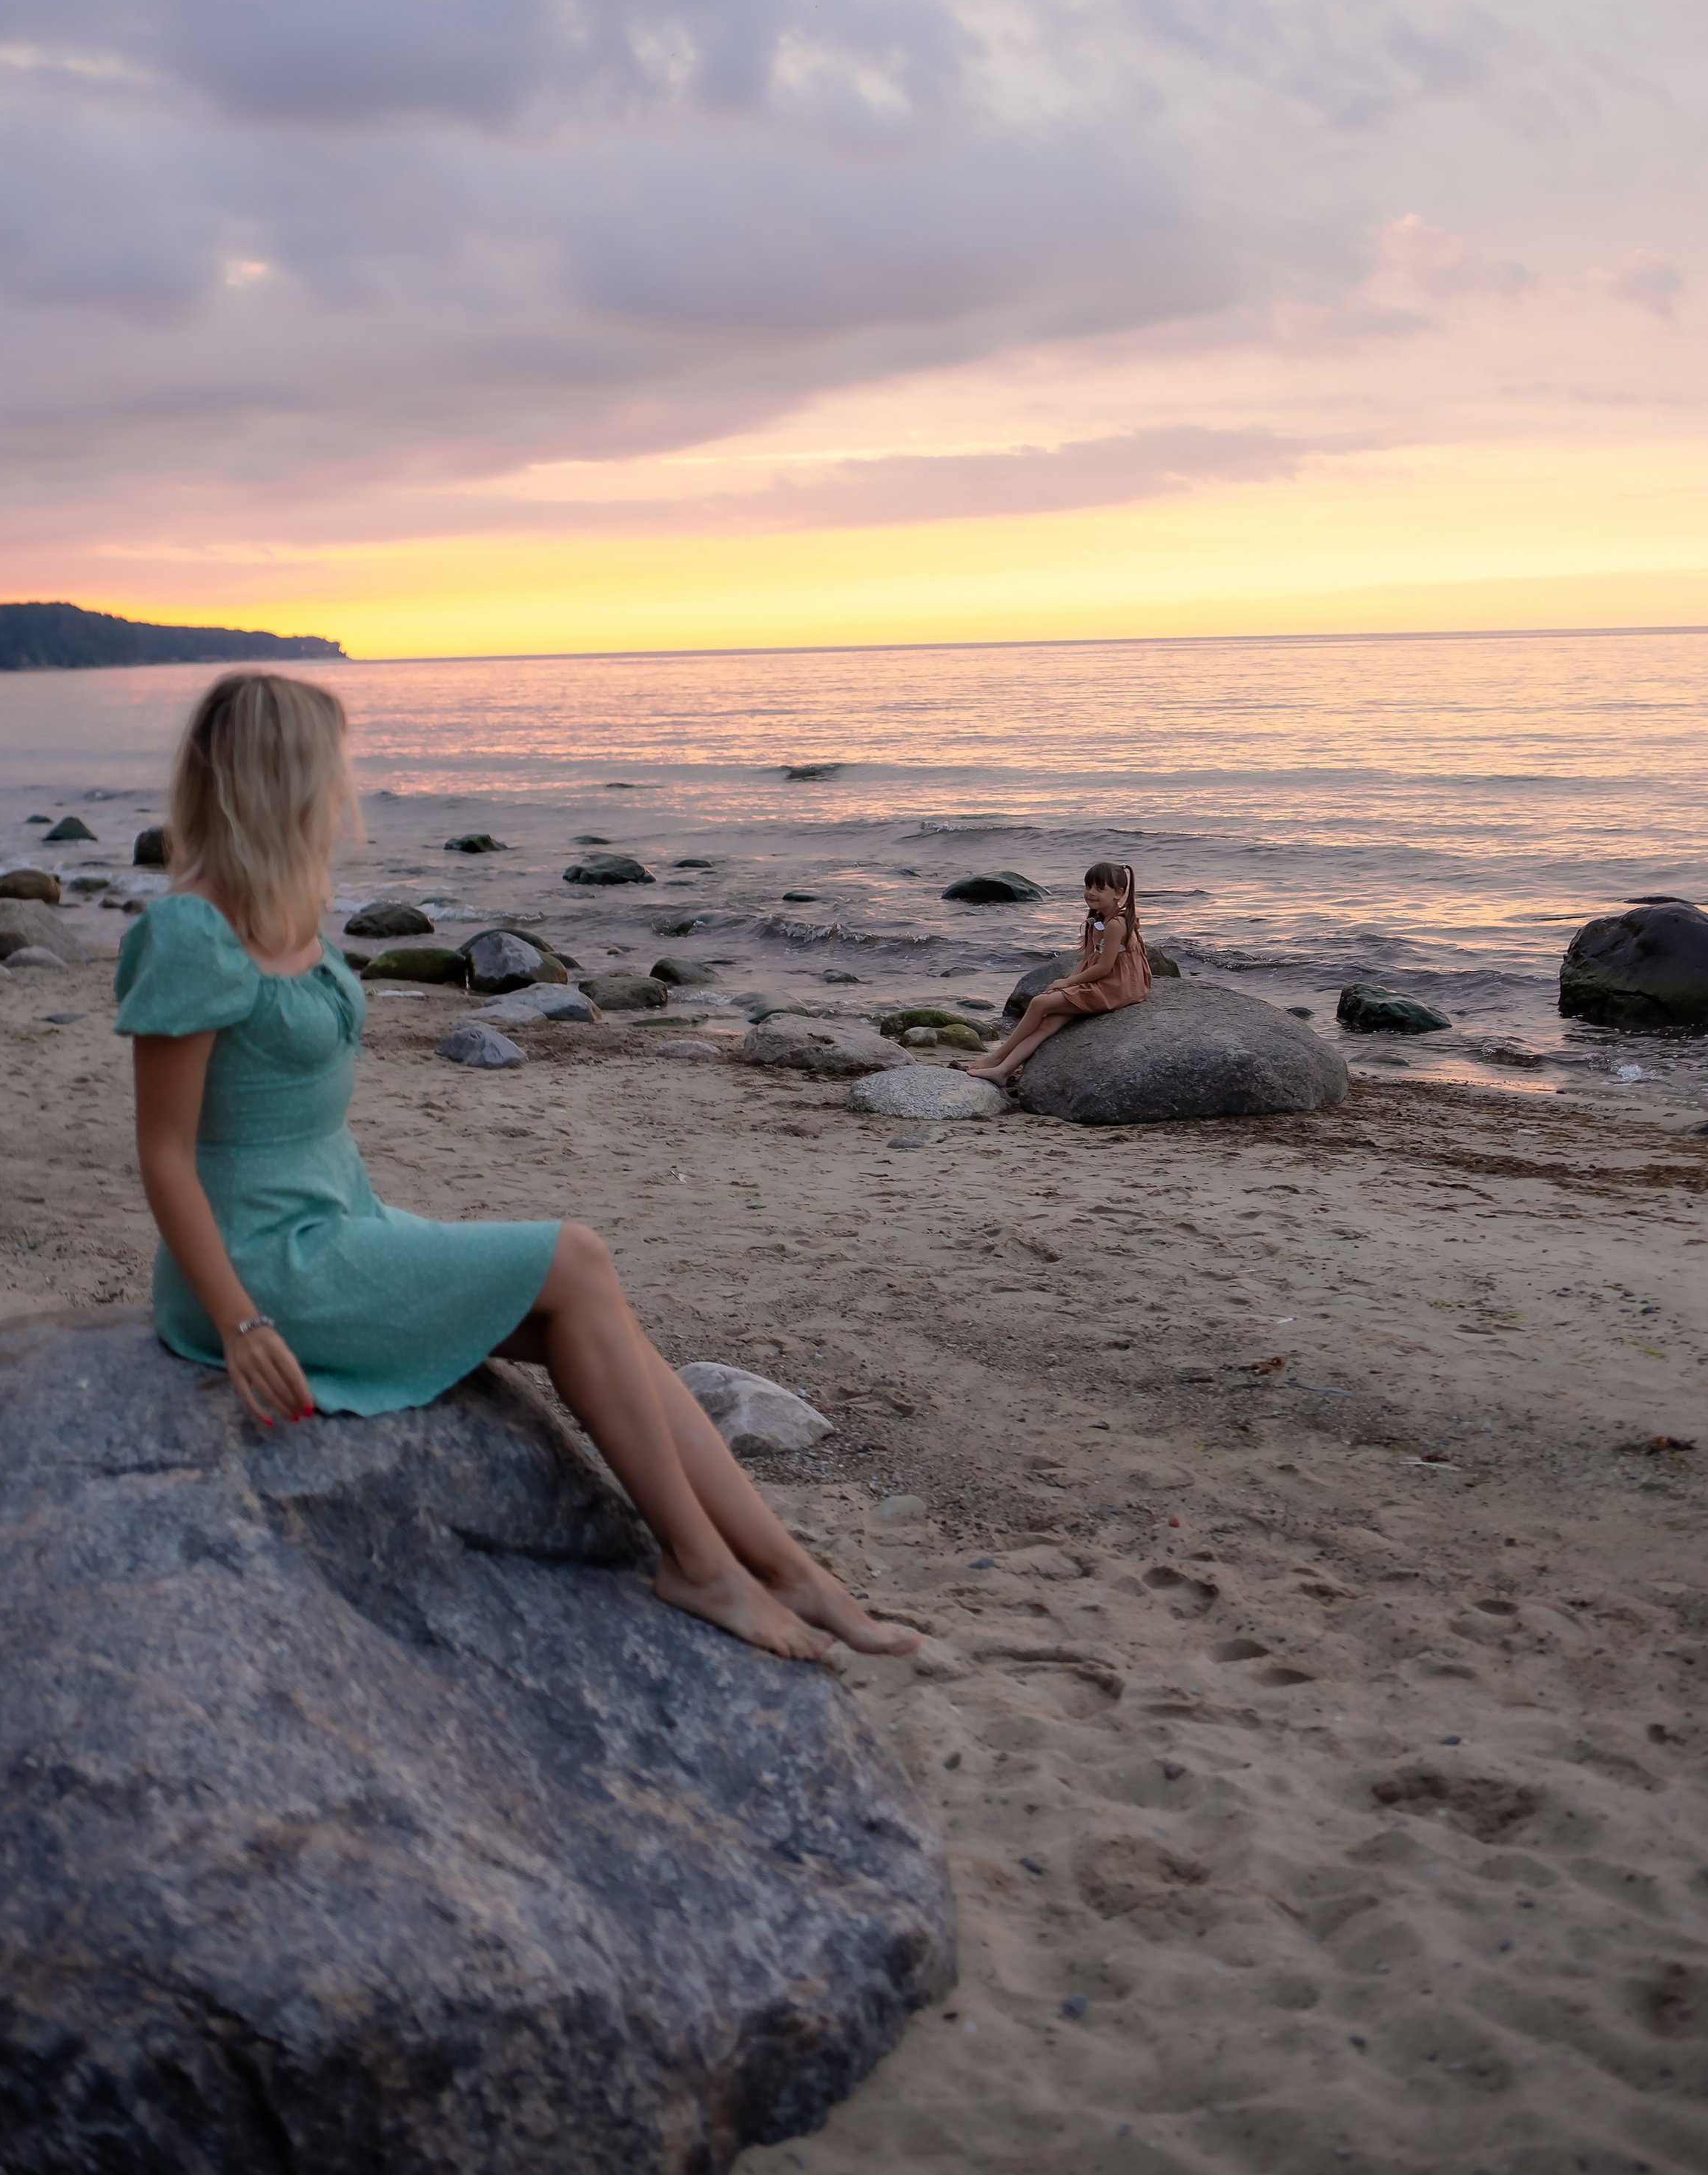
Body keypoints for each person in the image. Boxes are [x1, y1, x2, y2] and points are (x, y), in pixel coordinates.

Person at [118, 670, 915, 1668]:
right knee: (575, 1259)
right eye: (329, 766)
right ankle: (702, 1567)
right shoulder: (190, 933)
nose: (344, 785)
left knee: (586, 1312)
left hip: (338, 1217)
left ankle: (787, 1568)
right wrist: (239, 1320)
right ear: (277, 776)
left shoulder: (289, 902)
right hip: (260, 1262)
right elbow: (162, 1152)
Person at [963, 859, 1152, 1085]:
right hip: (1104, 980)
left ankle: (998, 1056)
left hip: (1116, 987)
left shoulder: (1116, 924)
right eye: (1088, 887)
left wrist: (1067, 982)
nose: (1091, 893)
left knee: (1039, 1004)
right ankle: (1003, 1071)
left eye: (1100, 889)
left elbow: (1104, 967)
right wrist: (1073, 985)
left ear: (1119, 894)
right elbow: (1088, 960)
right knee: (1048, 1024)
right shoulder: (1098, 919)